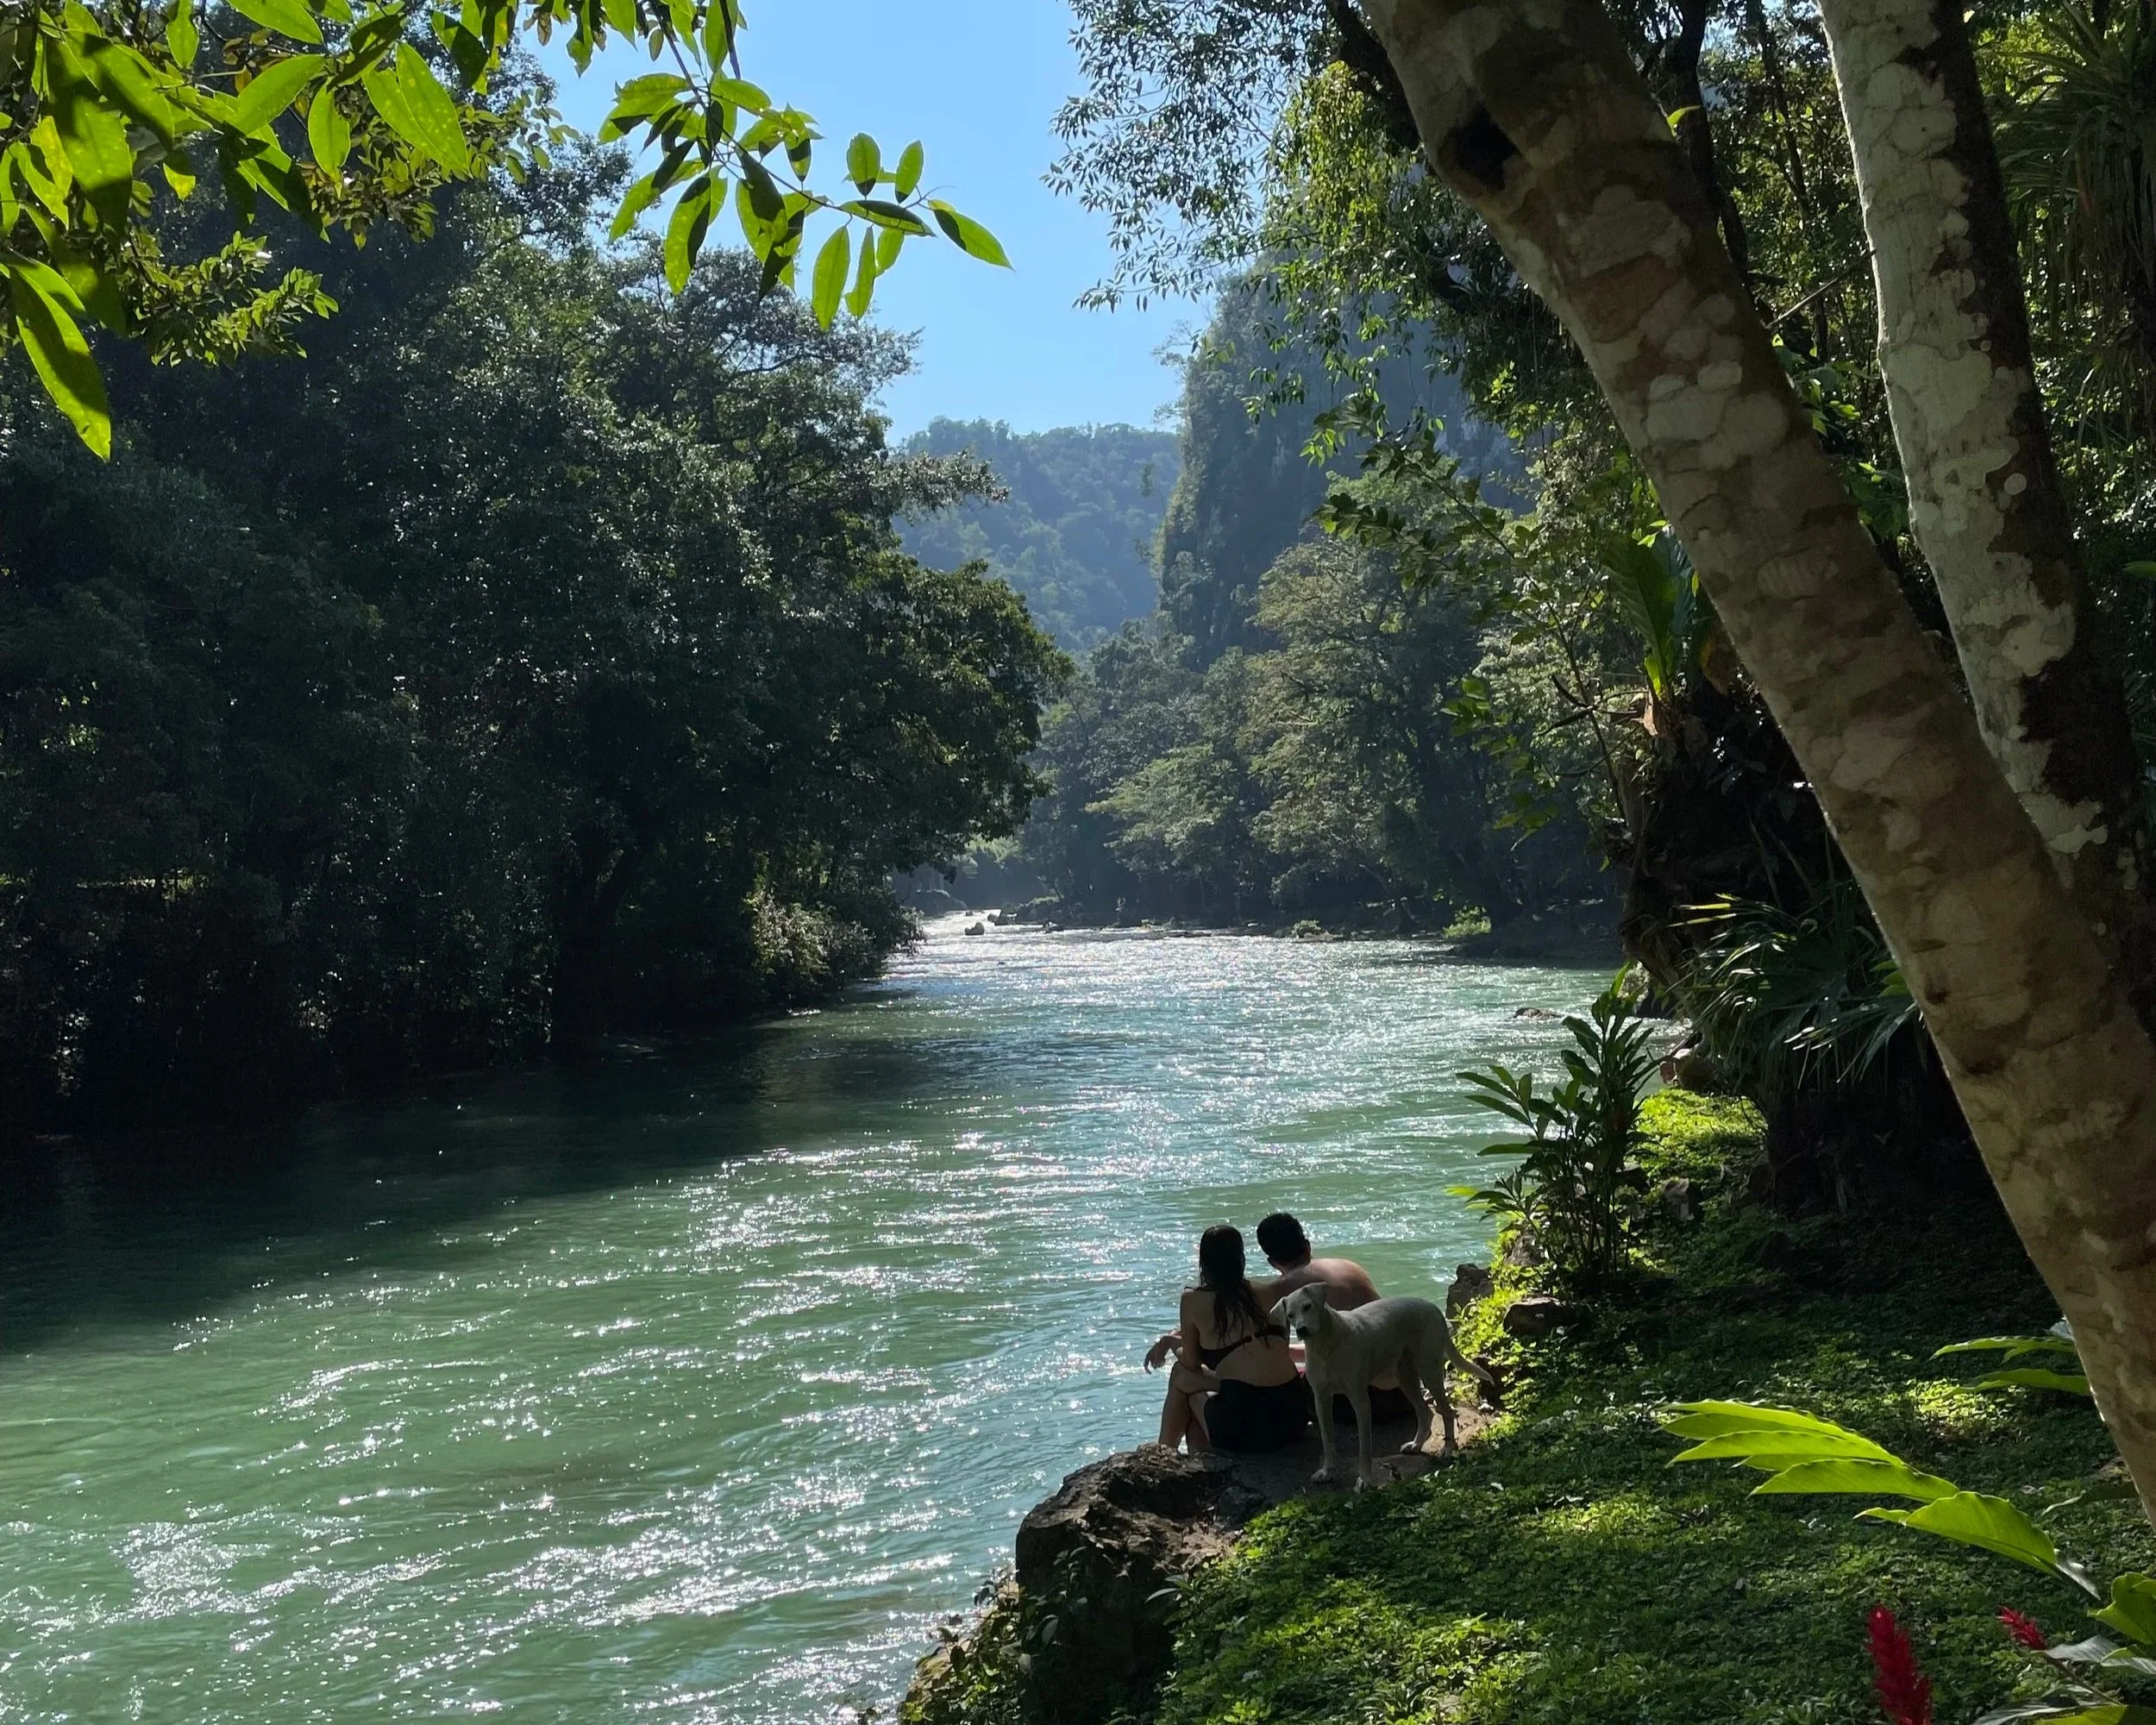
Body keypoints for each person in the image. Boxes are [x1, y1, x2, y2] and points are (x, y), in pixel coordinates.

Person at [1142, 1225, 1309, 1453]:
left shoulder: (1192, 1299)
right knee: (1217, 1395)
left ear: (1204, 1262)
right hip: (1294, 1415)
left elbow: (1190, 1363)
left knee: (1182, 1378)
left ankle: (1163, 1454)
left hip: (1247, 1427)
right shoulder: (1269, 1292)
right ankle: (1177, 1457)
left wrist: (1172, 1342)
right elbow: (1257, 1359)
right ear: (1240, 1258)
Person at [1249, 1212, 1414, 1425]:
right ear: (1307, 1246)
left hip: (1367, 1400)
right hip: (1404, 1390)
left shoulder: (1282, 1291)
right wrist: (1291, 1351)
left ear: (1272, 1263)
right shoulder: (1349, 1267)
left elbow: (1266, 1355)